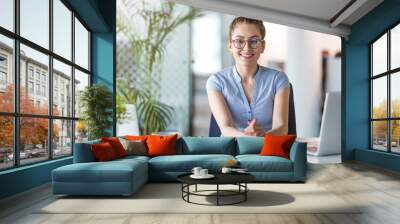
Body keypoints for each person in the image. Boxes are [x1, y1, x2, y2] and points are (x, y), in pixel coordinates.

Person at [206, 17, 290, 137]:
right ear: (230, 45)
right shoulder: (216, 82)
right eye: (239, 41)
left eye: (254, 41)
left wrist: (263, 136)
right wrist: (248, 137)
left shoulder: (278, 79)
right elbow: (226, 128)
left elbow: (281, 128)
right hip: (231, 150)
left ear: (262, 46)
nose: (247, 48)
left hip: (267, 149)